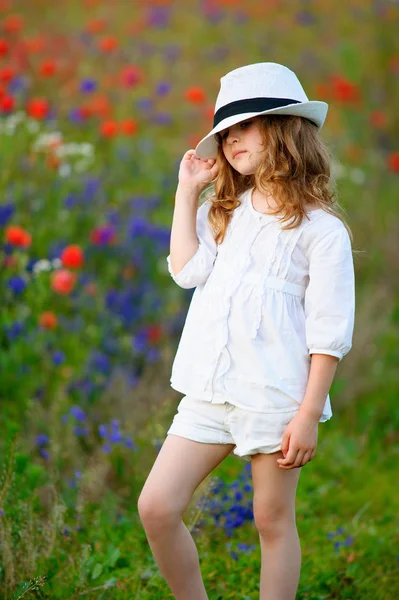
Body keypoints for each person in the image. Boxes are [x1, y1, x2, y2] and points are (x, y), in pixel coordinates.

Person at [138, 62, 356, 600]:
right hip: (210, 387)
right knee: (157, 506)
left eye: (245, 126)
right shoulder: (224, 209)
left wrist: (307, 417)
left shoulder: (321, 231)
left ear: (284, 130)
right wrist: (186, 195)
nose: (231, 139)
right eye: (225, 131)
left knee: (270, 519)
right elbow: (187, 272)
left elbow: (328, 333)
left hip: (274, 396)